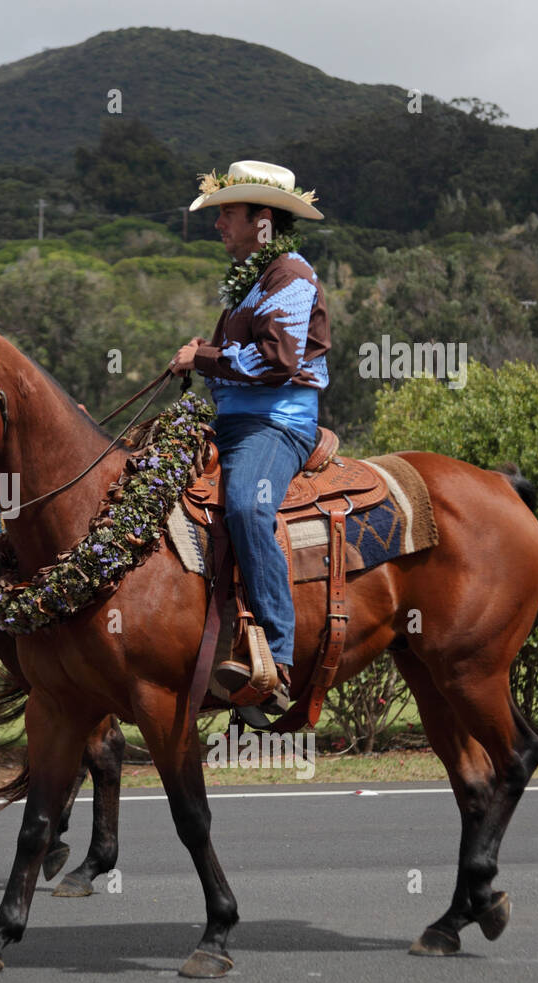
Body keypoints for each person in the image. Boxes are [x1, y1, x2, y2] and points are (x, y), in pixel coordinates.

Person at [169, 161, 330, 717]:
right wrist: (204, 355)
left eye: (227, 214)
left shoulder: (290, 275)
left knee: (246, 505)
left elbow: (279, 361)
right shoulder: (253, 282)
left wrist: (205, 356)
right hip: (234, 422)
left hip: (276, 424)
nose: (219, 225)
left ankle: (277, 662)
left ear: (264, 221)